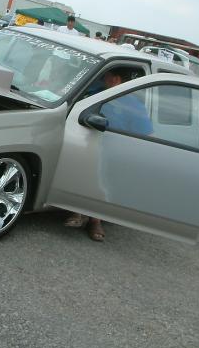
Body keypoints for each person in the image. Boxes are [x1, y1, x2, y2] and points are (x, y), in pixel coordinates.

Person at [63, 68, 152, 242]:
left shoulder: (133, 105)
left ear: (116, 79)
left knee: (102, 181)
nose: (104, 79)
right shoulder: (96, 93)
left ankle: (95, 220)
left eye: (107, 77)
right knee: (80, 172)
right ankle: (78, 211)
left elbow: (146, 136)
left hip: (113, 152)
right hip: (86, 143)